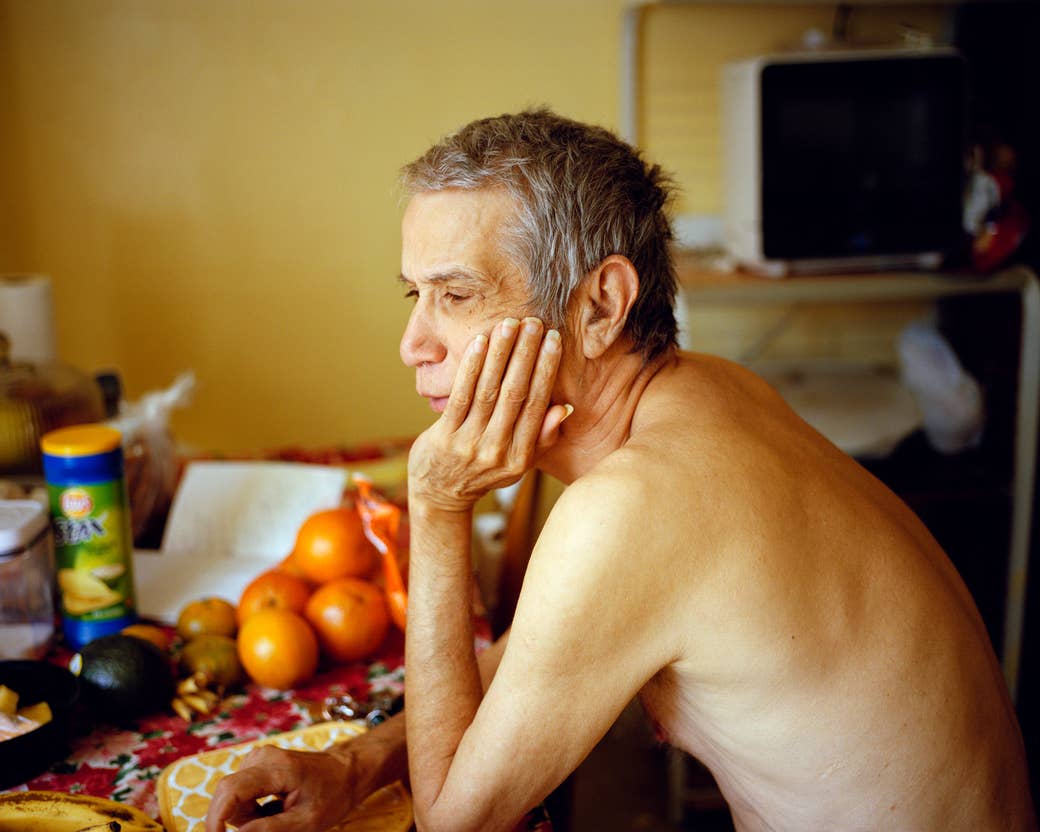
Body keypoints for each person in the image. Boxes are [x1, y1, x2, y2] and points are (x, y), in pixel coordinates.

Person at [206, 109, 1036, 832]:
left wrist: (438, 507)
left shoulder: (638, 505)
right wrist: (356, 763)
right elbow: (554, 645)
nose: (413, 344)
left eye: (455, 297)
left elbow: (456, 817)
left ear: (600, 306)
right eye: (412, 296)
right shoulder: (708, 389)